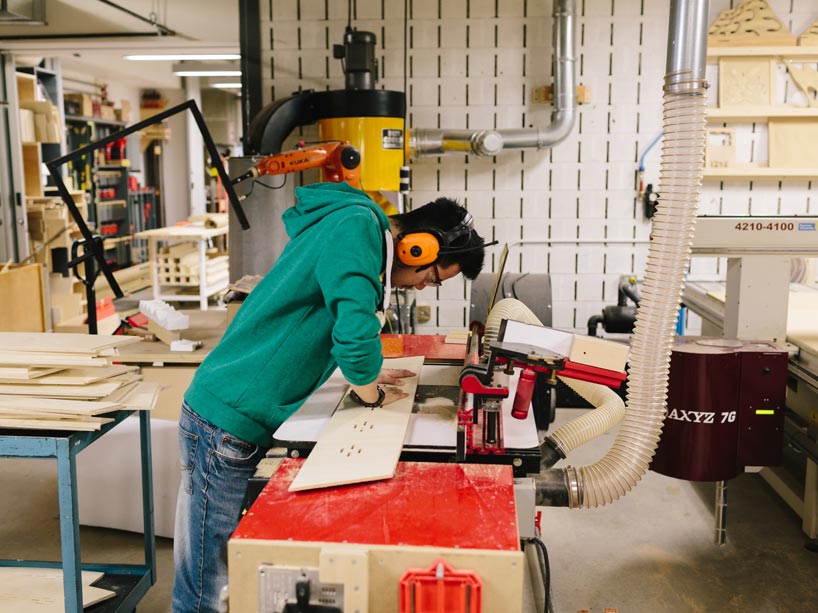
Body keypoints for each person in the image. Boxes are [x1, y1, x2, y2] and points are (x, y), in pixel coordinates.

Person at [171, 181, 490, 613]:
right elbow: (354, 335)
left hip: (236, 409)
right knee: (210, 582)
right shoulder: (358, 229)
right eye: (432, 276)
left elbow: (338, 315)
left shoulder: (356, 229)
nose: (422, 287)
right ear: (417, 248)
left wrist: (373, 372)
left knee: (218, 566)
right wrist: (371, 387)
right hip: (228, 417)